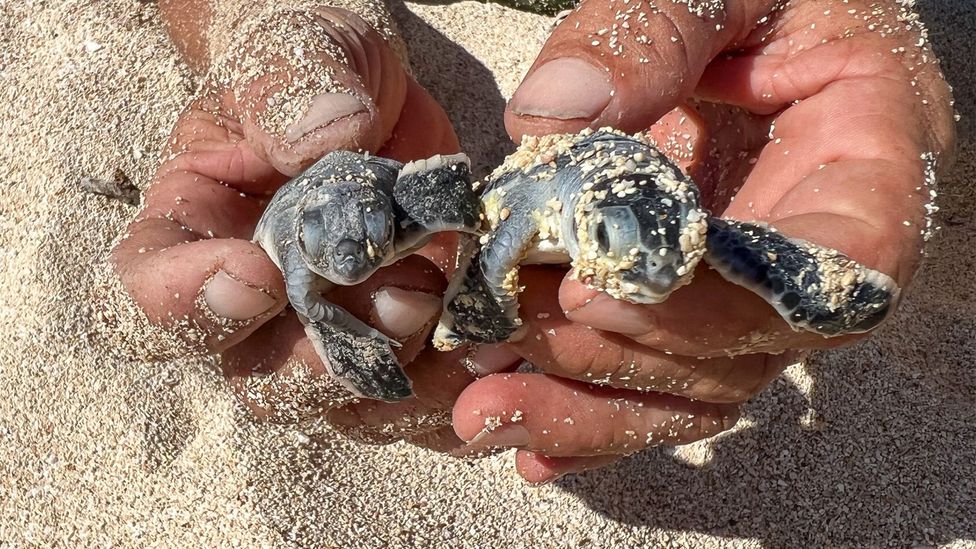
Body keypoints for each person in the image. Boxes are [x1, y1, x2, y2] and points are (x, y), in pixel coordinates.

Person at [113, 0, 955, 484]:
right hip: (528, 181)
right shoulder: (346, 232)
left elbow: (705, 247)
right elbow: (493, 216)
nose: (646, 273)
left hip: (632, 163)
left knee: (709, 272)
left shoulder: (667, 233)